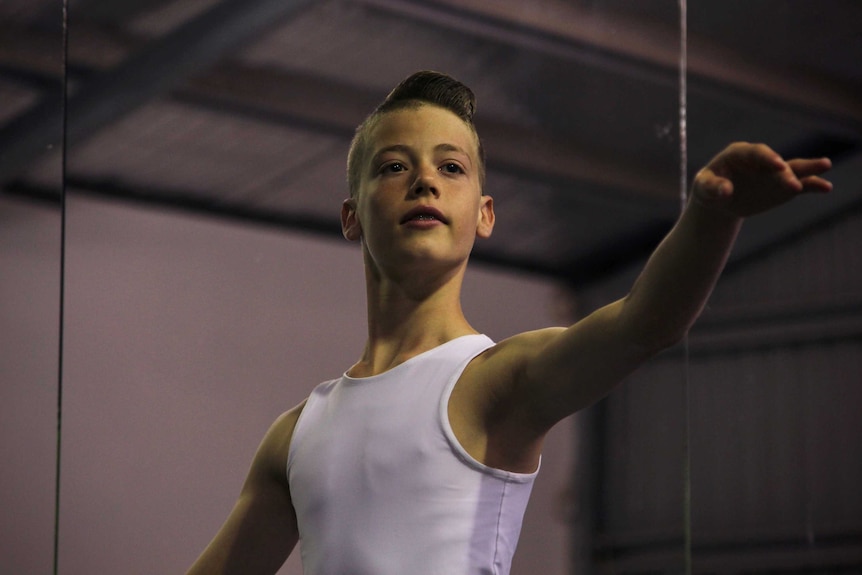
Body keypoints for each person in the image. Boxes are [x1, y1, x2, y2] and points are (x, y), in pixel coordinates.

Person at [186, 71, 832, 575]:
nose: (423, 182)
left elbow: (645, 323)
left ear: (485, 213)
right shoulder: (296, 434)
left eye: (451, 166)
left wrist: (711, 217)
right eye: (393, 166)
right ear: (351, 215)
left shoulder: (498, 381)